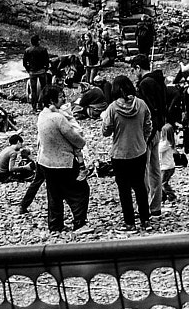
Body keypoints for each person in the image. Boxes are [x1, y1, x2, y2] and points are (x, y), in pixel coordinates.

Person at [101, 75, 154, 230]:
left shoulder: (112, 108)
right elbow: (148, 125)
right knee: (140, 186)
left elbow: (105, 131)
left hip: (120, 153)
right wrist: (142, 139)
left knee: (124, 189)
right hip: (139, 150)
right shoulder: (142, 104)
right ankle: (145, 220)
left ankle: (129, 222)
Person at [35, 90, 88, 232]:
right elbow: (76, 139)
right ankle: (79, 222)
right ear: (52, 101)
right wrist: (81, 143)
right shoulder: (58, 118)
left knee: (54, 195)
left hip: (46, 161)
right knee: (80, 191)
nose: (63, 98)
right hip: (63, 161)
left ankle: (55, 225)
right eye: (60, 97)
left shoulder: (42, 115)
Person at [23, 35, 51, 109]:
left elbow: (25, 63)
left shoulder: (27, 50)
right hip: (41, 71)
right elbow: (47, 61)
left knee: (33, 90)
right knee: (44, 88)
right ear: (38, 41)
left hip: (32, 72)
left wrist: (28, 70)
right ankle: (43, 104)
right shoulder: (43, 49)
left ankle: (34, 107)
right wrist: (45, 69)